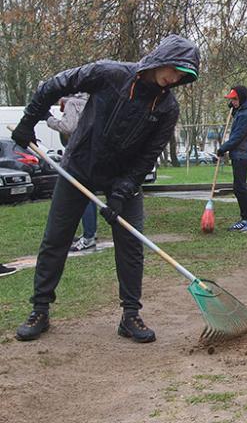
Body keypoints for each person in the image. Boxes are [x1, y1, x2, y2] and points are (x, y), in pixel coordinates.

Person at [10, 34, 200, 343]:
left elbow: (148, 156)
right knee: (56, 239)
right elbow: (54, 85)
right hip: (80, 167)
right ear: (161, 58)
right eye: (174, 69)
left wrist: (125, 188)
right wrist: (28, 122)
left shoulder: (167, 107)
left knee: (130, 245)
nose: (174, 78)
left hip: (122, 177)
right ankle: (40, 310)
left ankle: (130, 315)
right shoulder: (110, 74)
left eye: (182, 76)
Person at [46, 93, 98, 252]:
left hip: (79, 155)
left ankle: (88, 237)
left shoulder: (72, 104)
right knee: (89, 195)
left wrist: (49, 119)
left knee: (81, 196)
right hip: (93, 153)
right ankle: (90, 233)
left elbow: (68, 127)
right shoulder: (91, 100)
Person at [217, 85, 247, 232]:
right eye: (231, 99)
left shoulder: (246, 115)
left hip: (242, 154)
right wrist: (235, 109)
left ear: (241, 98)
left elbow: (237, 136)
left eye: (235, 99)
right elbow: (237, 115)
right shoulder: (242, 112)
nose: (233, 102)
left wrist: (223, 148)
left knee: (240, 187)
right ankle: (245, 218)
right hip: (239, 154)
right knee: (238, 187)